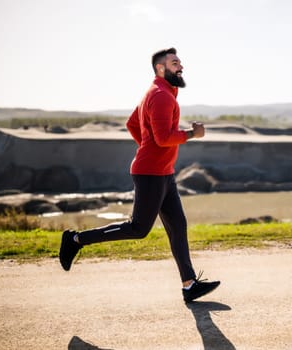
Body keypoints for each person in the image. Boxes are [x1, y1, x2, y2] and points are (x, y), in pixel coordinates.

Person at [59, 47, 220, 303]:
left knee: (177, 226)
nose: (181, 67)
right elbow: (164, 137)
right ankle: (75, 239)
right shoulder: (161, 96)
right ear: (161, 68)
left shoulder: (158, 92)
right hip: (151, 174)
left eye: (180, 62)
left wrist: (148, 148)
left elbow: (132, 124)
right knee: (138, 228)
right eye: (175, 62)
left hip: (163, 172)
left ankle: (190, 285)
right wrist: (192, 134)